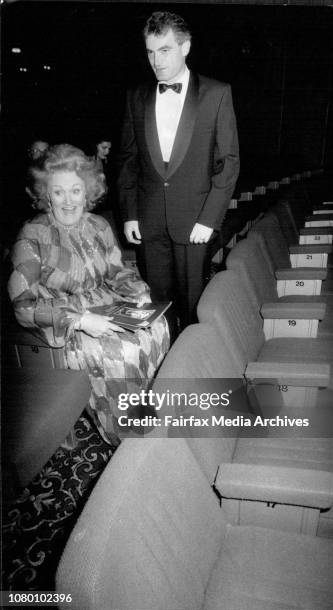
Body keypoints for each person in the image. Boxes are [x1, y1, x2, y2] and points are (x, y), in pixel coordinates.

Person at [8, 144, 170, 446]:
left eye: (76, 191)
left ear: (88, 191)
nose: (68, 201)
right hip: (63, 323)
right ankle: (125, 437)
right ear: (45, 194)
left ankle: (146, 412)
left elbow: (117, 273)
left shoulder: (98, 225)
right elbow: (23, 307)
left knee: (157, 327)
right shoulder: (31, 236)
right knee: (119, 352)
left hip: (106, 305)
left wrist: (138, 295)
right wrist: (80, 320)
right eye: (58, 192)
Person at [118, 11, 240, 332]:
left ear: (185, 47)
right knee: (157, 306)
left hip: (194, 221)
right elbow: (128, 160)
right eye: (150, 52)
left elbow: (228, 162)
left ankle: (188, 368)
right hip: (149, 220)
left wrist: (209, 219)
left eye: (165, 50)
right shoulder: (136, 96)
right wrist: (130, 213)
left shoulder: (216, 93)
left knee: (192, 305)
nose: (156, 61)